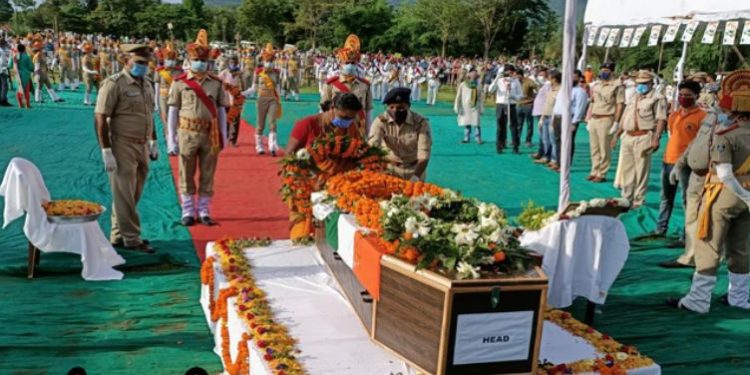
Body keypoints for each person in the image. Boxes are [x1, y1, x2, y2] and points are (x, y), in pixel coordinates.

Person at [667, 70, 750, 313]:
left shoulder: (727, 134)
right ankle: (740, 297)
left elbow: (724, 172)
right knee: (741, 248)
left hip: (722, 194)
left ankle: (698, 300)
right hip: (747, 198)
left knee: (708, 245)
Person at [94, 44, 158, 253]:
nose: (143, 67)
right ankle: (132, 239)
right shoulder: (114, 84)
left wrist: (153, 140)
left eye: (146, 63)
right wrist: (106, 150)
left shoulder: (147, 84)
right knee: (124, 193)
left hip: (142, 145)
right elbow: (100, 117)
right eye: (139, 62)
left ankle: (117, 235)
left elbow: (149, 114)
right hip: (122, 144)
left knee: (132, 193)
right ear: (125, 61)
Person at [168, 29, 228, 226]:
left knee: (208, 171)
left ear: (208, 62)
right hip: (187, 133)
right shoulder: (179, 83)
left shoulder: (216, 83)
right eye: (196, 59)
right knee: (186, 170)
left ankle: (203, 210)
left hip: (210, 133)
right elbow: (173, 110)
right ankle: (187, 211)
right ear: (190, 60)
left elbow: (221, 110)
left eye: (203, 60)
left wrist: (224, 135)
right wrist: (171, 138)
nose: (200, 63)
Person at [284, 93, 365, 241]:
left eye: (350, 118)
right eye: (344, 117)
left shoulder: (351, 127)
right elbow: (289, 156)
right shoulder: (308, 124)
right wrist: (314, 174)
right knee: (303, 229)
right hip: (306, 184)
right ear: (332, 108)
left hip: (336, 186)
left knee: (330, 228)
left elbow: (355, 153)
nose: (346, 122)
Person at [652, 80, 706, 250]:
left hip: (687, 165)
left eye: (687, 96)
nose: (683, 98)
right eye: (681, 95)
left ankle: (686, 235)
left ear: (696, 96)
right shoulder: (674, 114)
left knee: (687, 201)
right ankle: (660, 229)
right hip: (668, 160)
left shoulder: (702, 117)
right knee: (665, 197)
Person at [611, 70, 667, 208]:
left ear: (651, 83)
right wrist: (617, 135)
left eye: (643, 83)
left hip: (644, 136)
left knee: (641, 169)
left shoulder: (657, 98)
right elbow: (625, 117)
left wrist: (656, 138)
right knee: (627, 169)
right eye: (638, 83)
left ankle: (638, 200)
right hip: (628, 136)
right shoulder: (634, 96)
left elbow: (661, 119)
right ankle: (626, 198)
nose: (640, 86)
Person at [369, 87, 432, 181]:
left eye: (400, 108)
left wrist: (415, 178)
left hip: (415, 170)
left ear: (409, 106)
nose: (395, 111)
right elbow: (373, 148)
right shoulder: (381, 121)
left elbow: (424, 155)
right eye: (391, 107)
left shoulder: (420, 123)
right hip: (389, 170)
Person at [321, 34, 373, 129]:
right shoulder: (330, 84)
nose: (350, 65)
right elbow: (323, 109)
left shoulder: (365, 85)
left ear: (357, 64)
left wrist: (368, 132)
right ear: (341, 64)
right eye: (347, 63)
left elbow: (368, 111)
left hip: (358, 128)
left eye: (352, 63)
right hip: (336, 128)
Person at [586, 61, 625, 183]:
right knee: (594, 148)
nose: (603, 72)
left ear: (612, 72)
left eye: (606, 70)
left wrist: (616, 123)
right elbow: (593, 102)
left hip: (607, 118)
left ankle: (602, 173)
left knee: (604, 148)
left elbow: (620, 105)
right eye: (602, 70)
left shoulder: (618, 86)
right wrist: (588, 118)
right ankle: (594, 170)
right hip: (595, 118)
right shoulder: (597, 85)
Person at [247, 43, 282, 156]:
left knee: (272, 123)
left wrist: (278, 99)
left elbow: (278, 88)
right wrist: (242, 93)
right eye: (268, 61)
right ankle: (259, 146)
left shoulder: (276, 73)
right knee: (260, 124)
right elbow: (253, 88)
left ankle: (272, 146)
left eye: (271, 61)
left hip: (272, 99)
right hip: (261, 99)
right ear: (263, 60)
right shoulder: (258, 73)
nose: (269, 63)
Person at [551, 69, 589, 166]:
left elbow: (580, 108)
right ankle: (559, 162)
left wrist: (574, 122)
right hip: (558, 117)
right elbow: (557, 104)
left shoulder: (580, 92)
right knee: (558, 140)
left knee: (567, 142)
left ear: (579, 78)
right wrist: (553, 118)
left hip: (569, 119)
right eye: (570, 76)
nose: (571, 79)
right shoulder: (563, 90)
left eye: (574, 76)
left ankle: (566, 164)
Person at [155, 43, 183, 152]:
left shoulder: (179, 71)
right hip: (164, 97)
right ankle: (169, 142)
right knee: (166, 119)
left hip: (176, 98)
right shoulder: (160, 71)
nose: (170, 61)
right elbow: (156, 87)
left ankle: (176, 141)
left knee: (177, 119)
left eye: (172, 59)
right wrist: (156, 102)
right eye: (168, 59)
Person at [488, 64, 522, 153]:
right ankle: (499, 145)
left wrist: (513, 96)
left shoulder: (516, 81)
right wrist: (496, 78)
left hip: (511, 105)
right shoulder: (499, 80)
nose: (510, 73)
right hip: (500, 104)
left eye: (512, 71)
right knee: (500, 126)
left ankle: (515, 146)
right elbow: (490, 90)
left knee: (513, 126)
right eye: (508, 71)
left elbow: (520, 95)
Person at [218, 55, 246, 147]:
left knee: (236, 121)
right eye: (231, 62)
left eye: (234, 62)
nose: (233, 64)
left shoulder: (240, 74)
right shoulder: (224, 73)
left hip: (236, 100)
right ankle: (224, 138)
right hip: (225, 100)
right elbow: (218, 83)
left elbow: (244, 87)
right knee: (225, 120)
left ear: (237, 63)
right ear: (228, 63)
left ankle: (232, 141)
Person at [537, 70, 562, 170]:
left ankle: (554, 159)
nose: (548, 80)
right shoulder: (551, 89)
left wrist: (553, 119)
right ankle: (546, 157)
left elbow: (558, 106)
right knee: (545, 139)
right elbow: (546, 105)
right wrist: (541, 118)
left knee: (553, 141)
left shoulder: (560, 90)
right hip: (546, 116)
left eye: (549, 78)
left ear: (554, 79)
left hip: (553, 118)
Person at [454, 67, 484, 144]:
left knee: (476, 123)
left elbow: (481, 97)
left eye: (475, 73)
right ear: (469, 74)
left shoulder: (478, 85)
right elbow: (458, 96)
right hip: (465, 106)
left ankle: (478, 138)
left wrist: (481, 108)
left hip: (475, 106)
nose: (474, 74)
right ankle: (466, 138)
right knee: (467, 122)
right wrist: (457, 106)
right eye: (472, 72)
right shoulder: (463, 84)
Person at [517, 69, 538, 148]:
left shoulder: (529, 81)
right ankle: (517, 140)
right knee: (518, 124)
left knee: (529, 124)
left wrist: (536, 97)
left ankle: (528, 140)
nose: (516, 77)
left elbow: (537, 87)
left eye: (517, 75)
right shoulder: (515, 82)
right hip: (518, 105)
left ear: (521, 75)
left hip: (528, 104)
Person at [9, 43, 33, 109]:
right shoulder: (27, 57)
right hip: (26, 75)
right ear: (24, 49)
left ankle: (20, 105)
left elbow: (9, 65)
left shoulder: (14, 56)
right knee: (26, 90)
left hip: (17, 75)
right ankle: (27, 105)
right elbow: (31, 67)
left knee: (19, 90)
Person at [0, 39, 10, 106]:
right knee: (5, 85)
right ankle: (3, 100)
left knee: (1, 85)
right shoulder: (2, 51)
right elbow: (3, 61)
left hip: (2, 68)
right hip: (2, 69)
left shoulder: (3, 50)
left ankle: (2, 99)